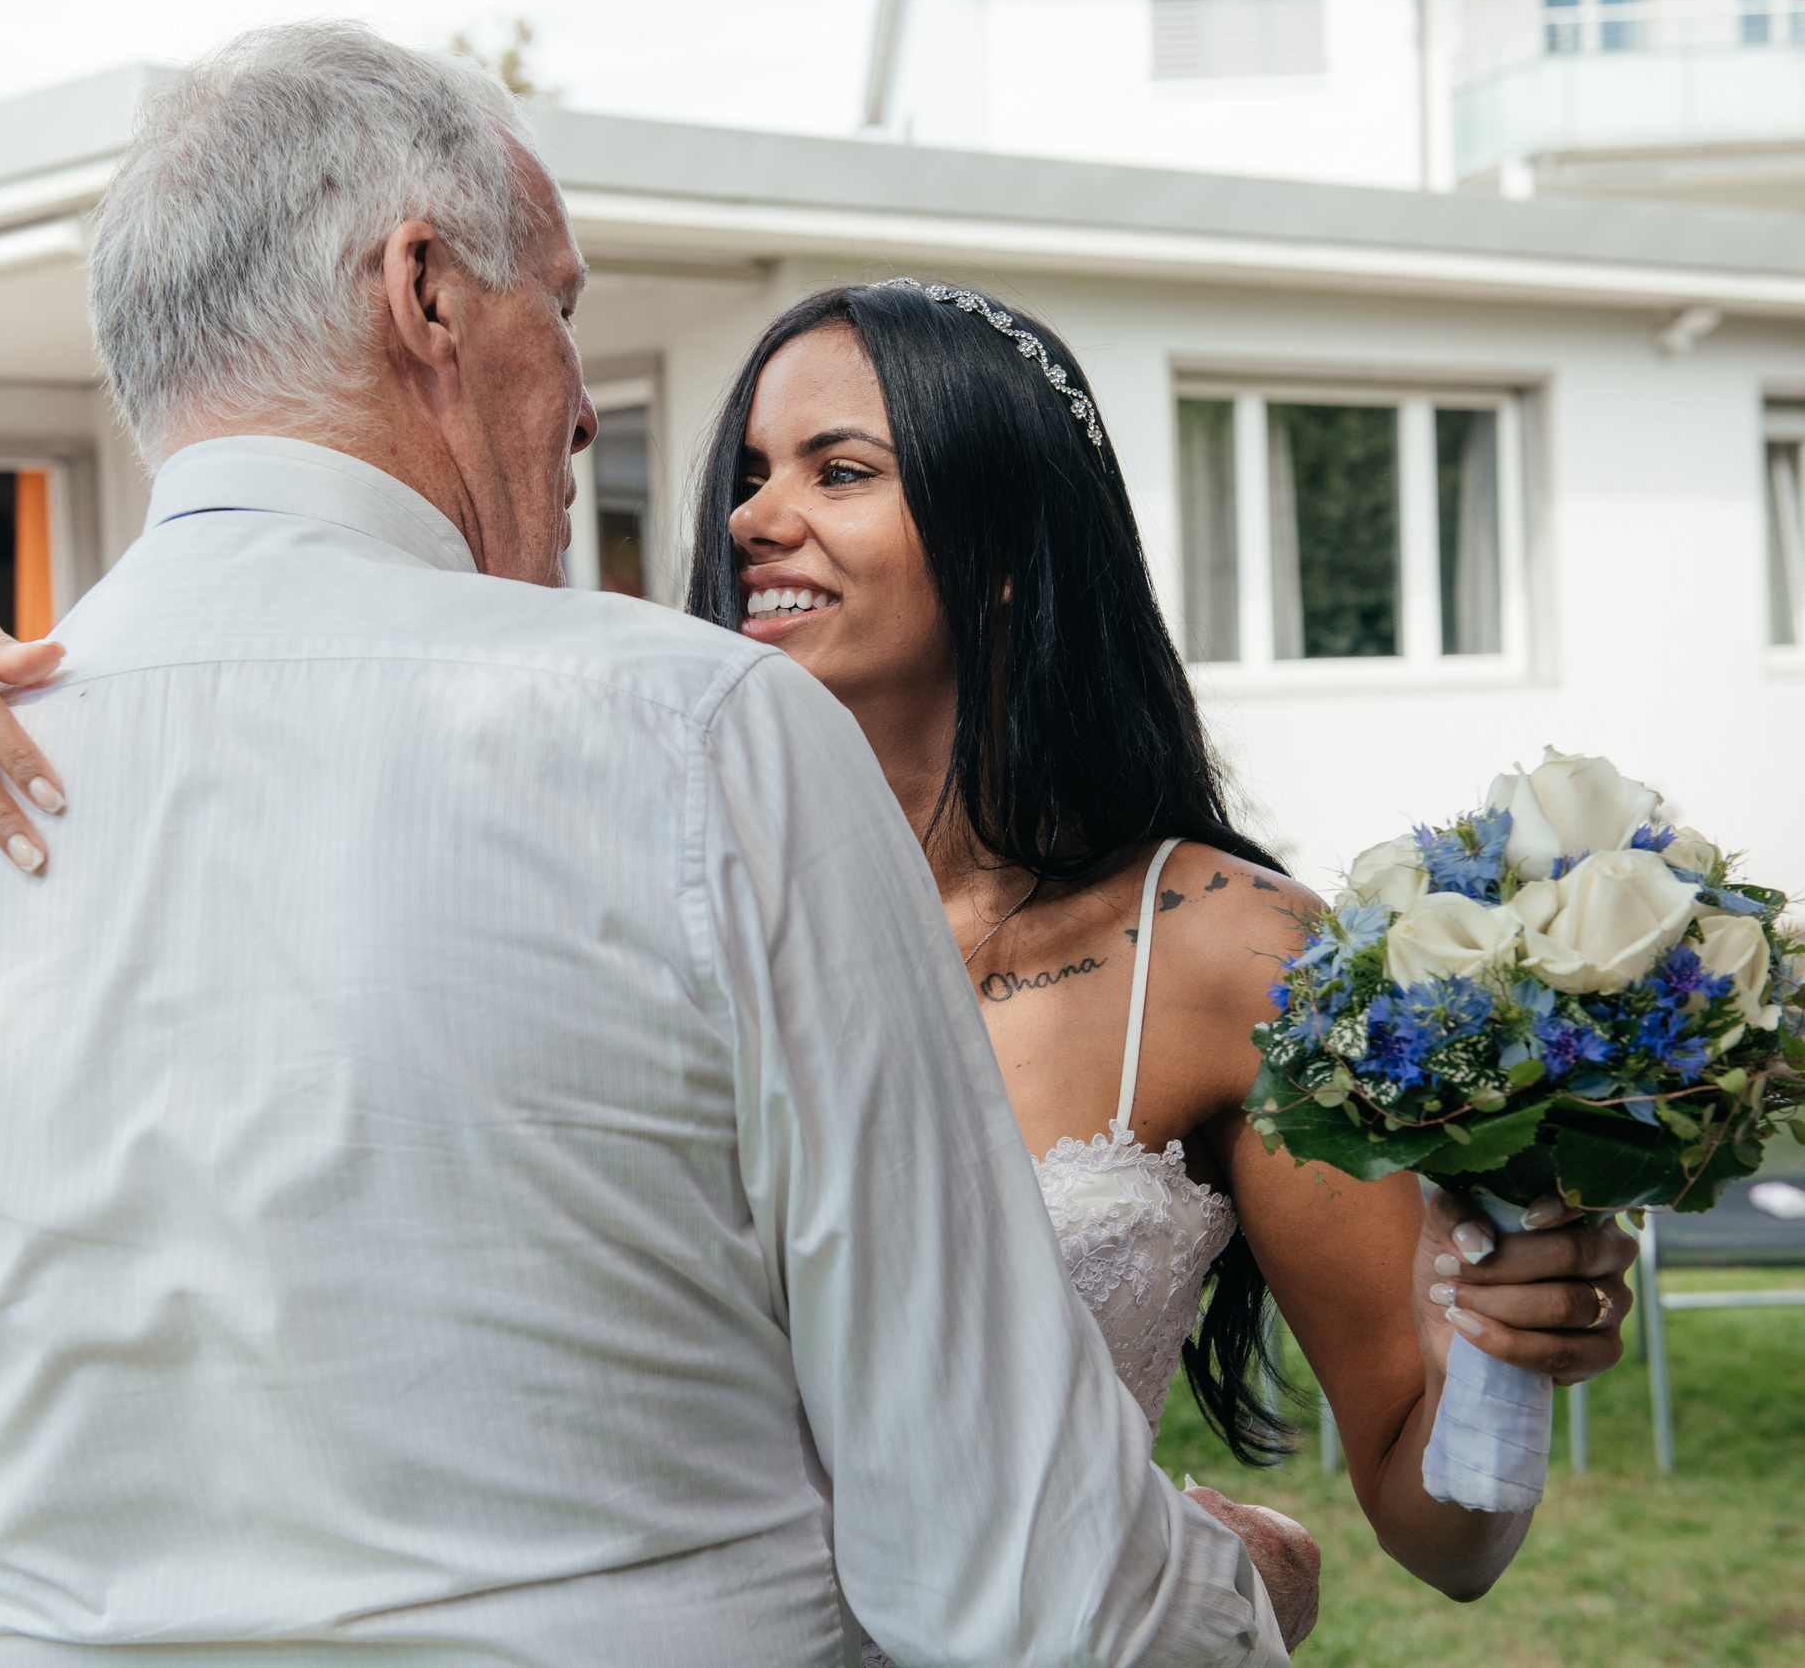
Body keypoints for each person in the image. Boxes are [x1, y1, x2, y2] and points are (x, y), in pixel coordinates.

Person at [0, 24, 1304, 1667]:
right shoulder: (705, 737)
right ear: (426, 291)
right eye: (565, 313)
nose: (588, 409)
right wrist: (1251, 1593)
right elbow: (1018, 1576)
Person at [684, 281, 1635, 1607]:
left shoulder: (1229, 954)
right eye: (749, 475)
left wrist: (1498, 1344)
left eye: (838, 469)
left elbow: (1444, 1531)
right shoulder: (668, 906)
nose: (750, 516)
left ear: (1008, 543)